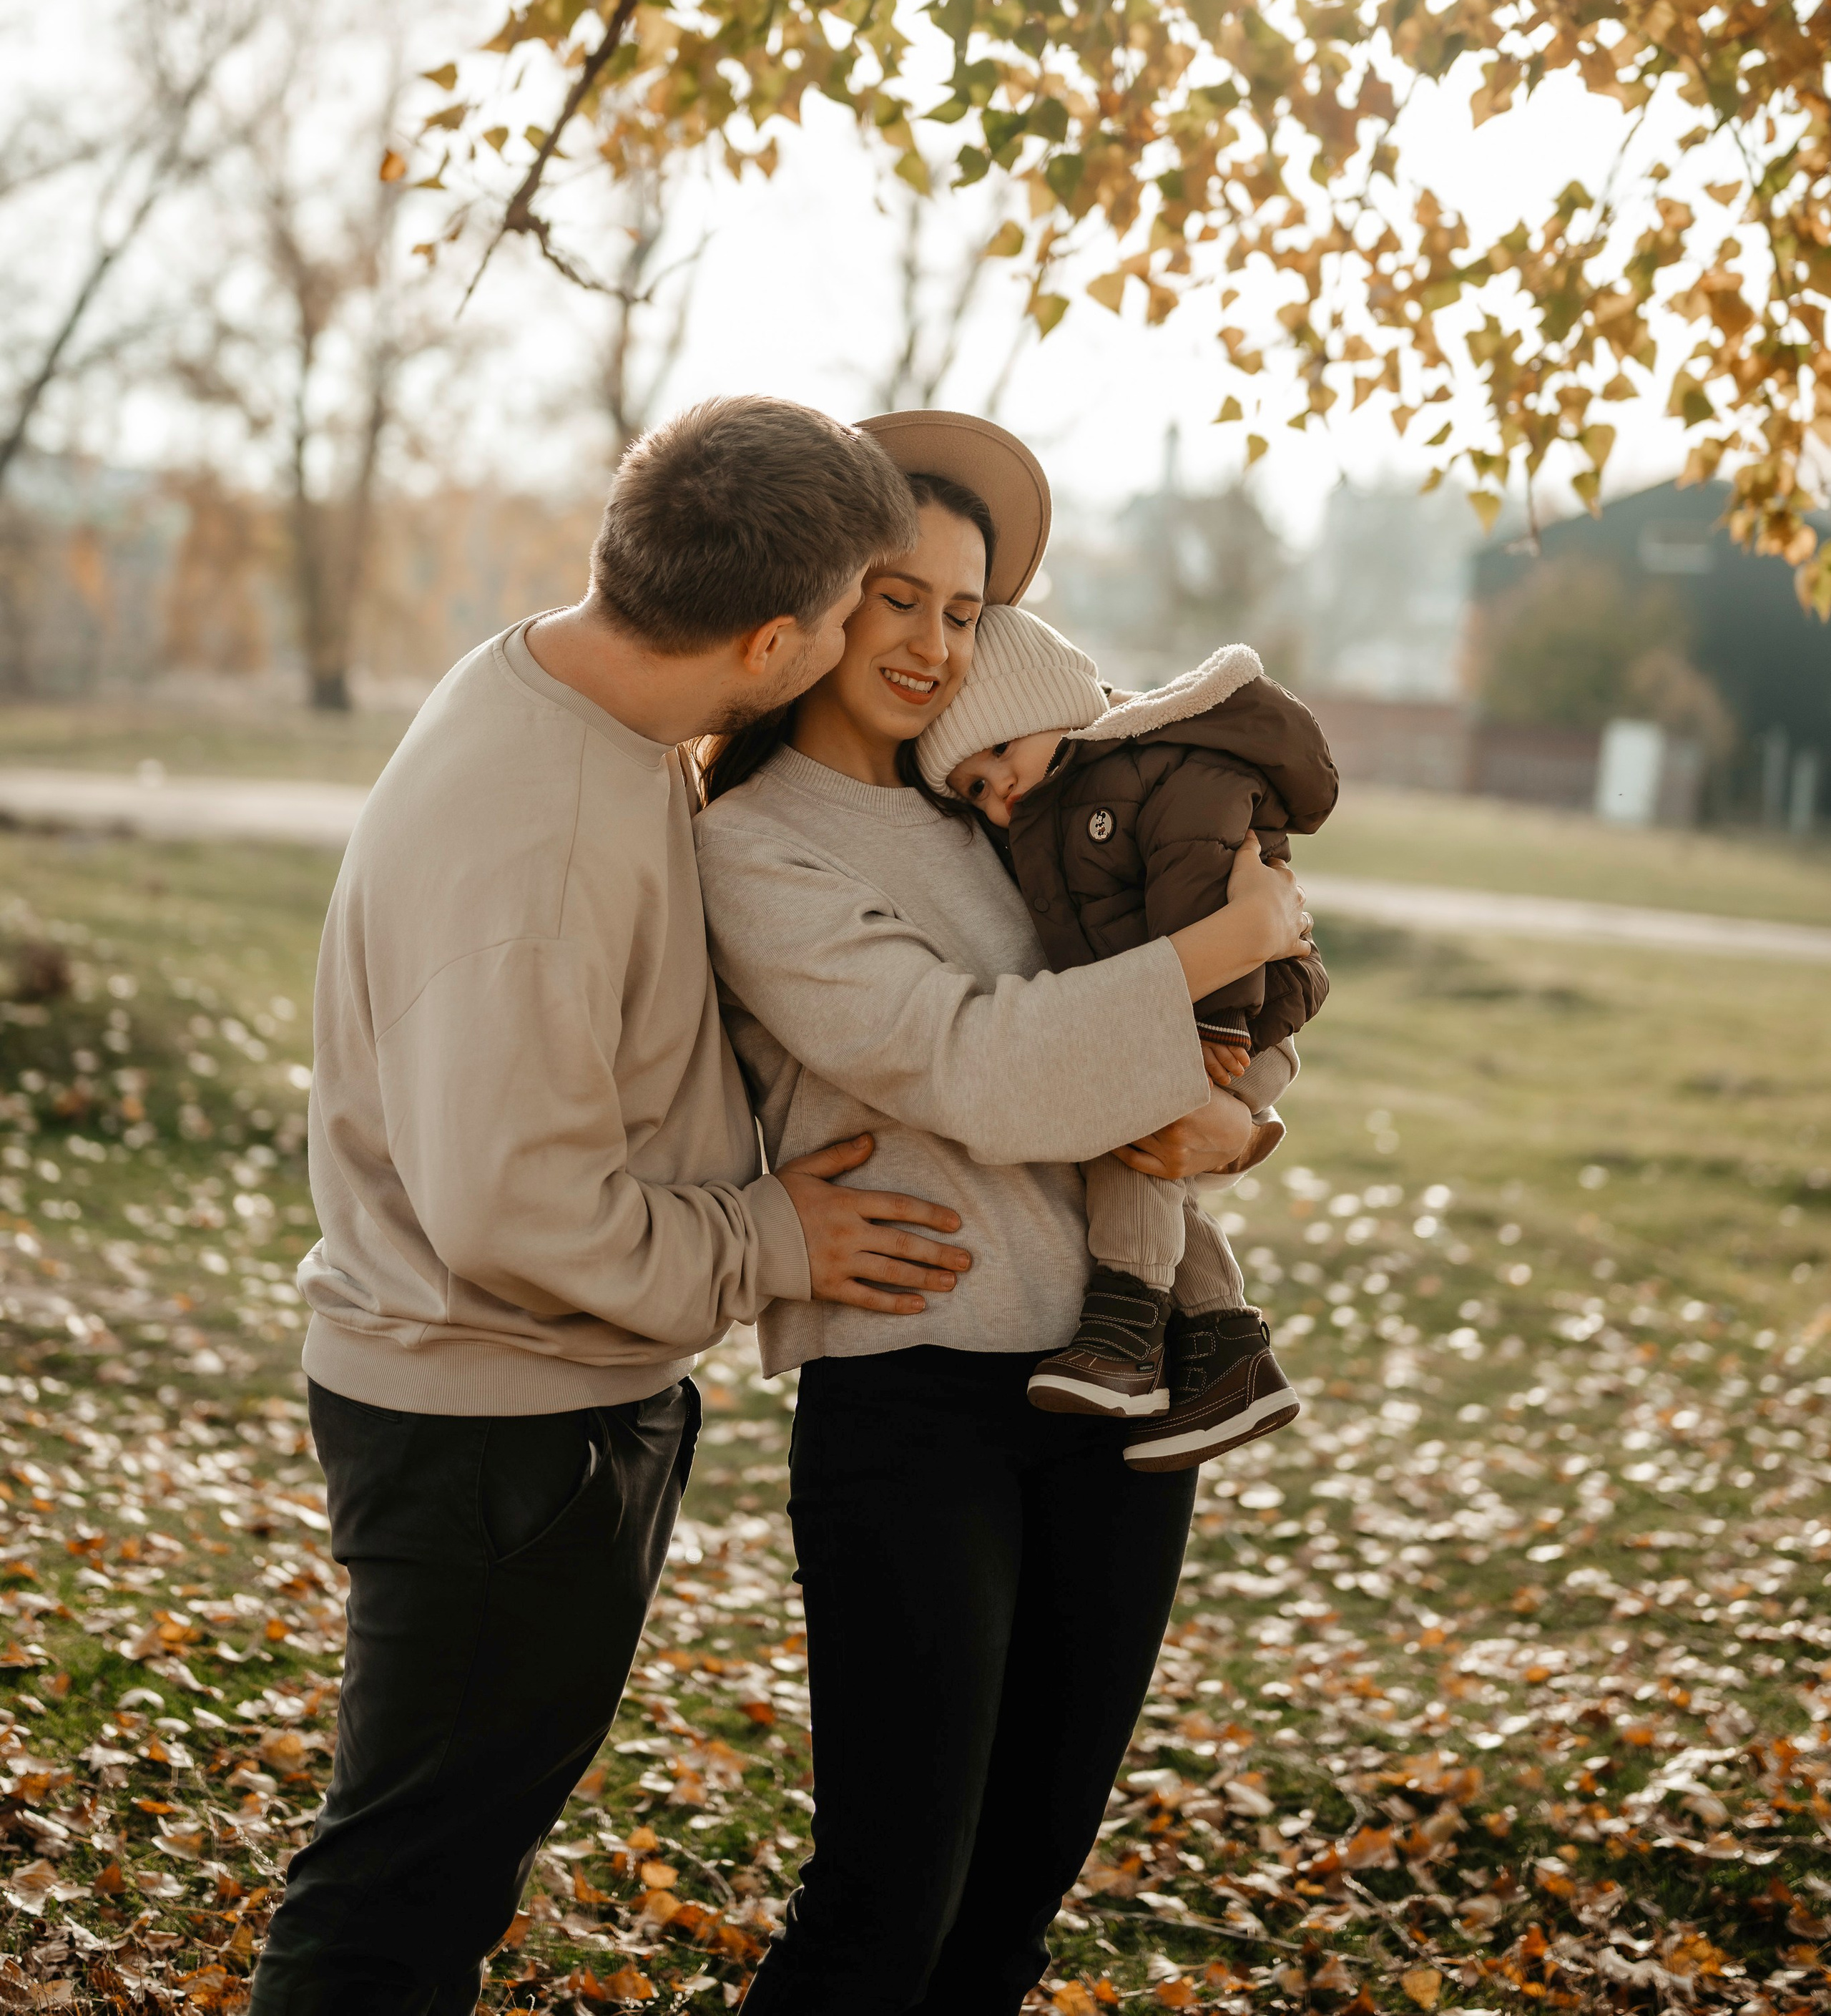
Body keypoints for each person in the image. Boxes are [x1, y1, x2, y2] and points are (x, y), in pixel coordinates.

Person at [252, 397, 981, 2016]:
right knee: (397, 1891)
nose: (884, 630)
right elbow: (517, 1209)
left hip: (536, 1413)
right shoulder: (541, 836)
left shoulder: (576, 688)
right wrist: (773, 1240)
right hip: (494, 1439)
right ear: (774, 635)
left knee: (438, 1861)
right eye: (865, 602)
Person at [691, 408, 1313, 2016]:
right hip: (919, 1389)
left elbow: (1214, 985)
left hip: (1122, 1389)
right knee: (888, 1900)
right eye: (896, 599)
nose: (928, 644)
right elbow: (971, 1061)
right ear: (821, 593)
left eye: (962, 612)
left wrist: (1234, 1124)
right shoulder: (752, 847)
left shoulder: (1011, 797)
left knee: (1017, 1897)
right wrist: (1196, 963)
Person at [917, 602, 1337, 1469]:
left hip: (1239, 1013)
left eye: (1002, 752)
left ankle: (1126, 1324)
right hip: (1193, 1008)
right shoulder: (1059, 813)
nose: (1002, 793)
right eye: (976, 790)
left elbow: (1201, 866)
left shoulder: (1151, 766)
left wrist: (1210, 1015)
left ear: (1061, 703)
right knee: (1145, 1137)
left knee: (1134, 1122)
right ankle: (1227, 1351)